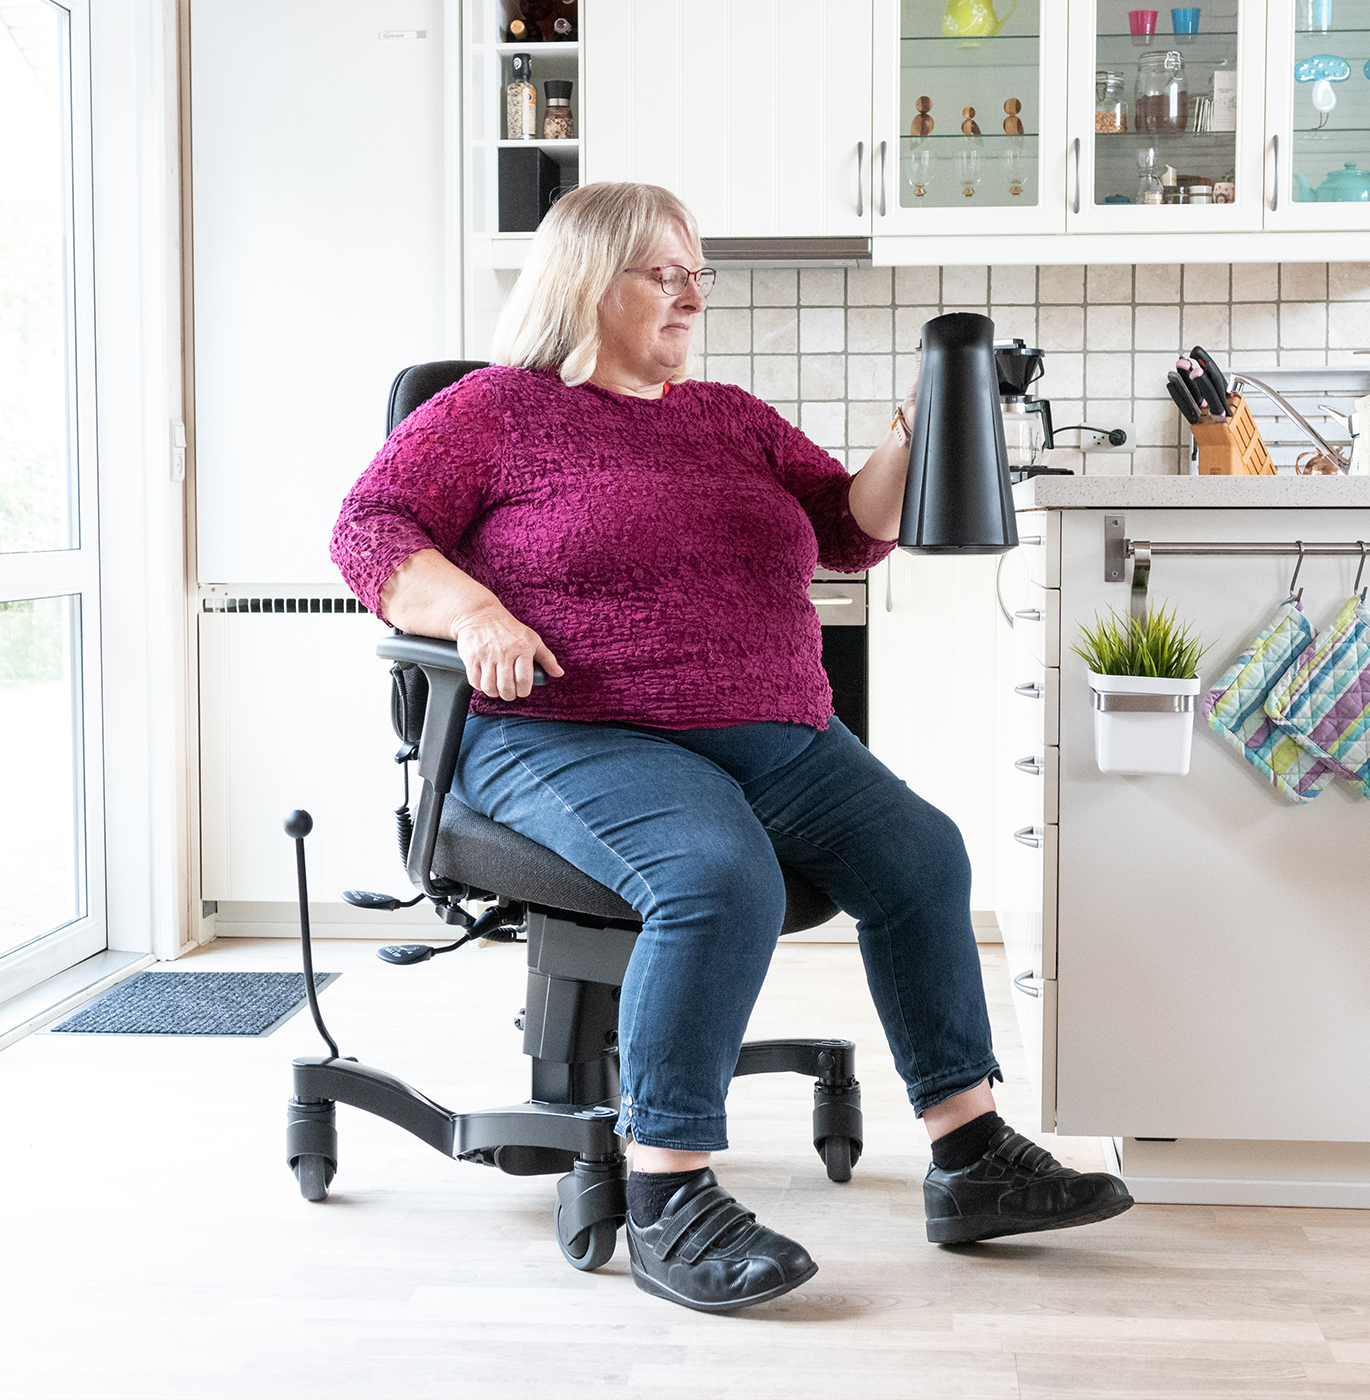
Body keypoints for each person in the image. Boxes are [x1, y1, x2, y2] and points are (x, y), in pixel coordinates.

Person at [330, 182, 1132, 1315]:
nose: (693, 296)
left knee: (923, 856)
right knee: (716, 878)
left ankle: (969, 1156)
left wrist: (919, 419)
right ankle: (664, 1193)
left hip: (772, 726)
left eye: (698, 273)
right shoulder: (492, 411)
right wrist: (473, 613)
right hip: (570, 727)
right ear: (586, 280)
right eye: (667, 273)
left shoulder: (728, 417)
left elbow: (853, 529)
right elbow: (368, 526)